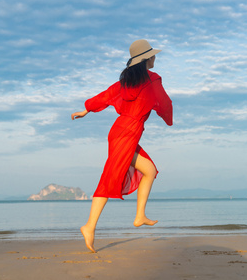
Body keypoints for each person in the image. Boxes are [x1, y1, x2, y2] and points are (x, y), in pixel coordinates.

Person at [71, 39, 173, 253]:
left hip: (121, 131)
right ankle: (89, 226)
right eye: (153, 55)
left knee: (150, 171)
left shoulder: (126, 81)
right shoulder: (153, 79)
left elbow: (105, 96)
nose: (155, 58)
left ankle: (139, 216)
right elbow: (164, 102)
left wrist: (86, 110)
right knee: (110, 178)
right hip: (127, 132)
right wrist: (167, 117)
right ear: (147, 58)